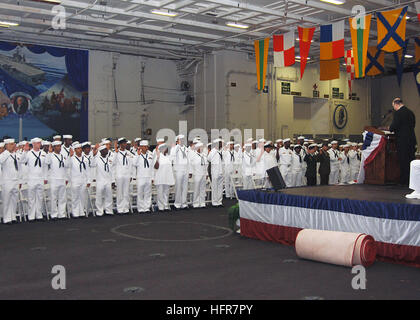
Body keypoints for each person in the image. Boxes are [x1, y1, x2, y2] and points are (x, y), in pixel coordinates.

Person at [389, 98, 417, 186]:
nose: (394, 108)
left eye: (393, 106)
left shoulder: (398, 113)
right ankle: (412, 181)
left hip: (402, 141)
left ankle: (404, 181)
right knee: (410, 160)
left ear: (396, 104)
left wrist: (390, 128)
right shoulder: (411, 112)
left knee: (403, 161)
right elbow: (413, 125)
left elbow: (394, 126)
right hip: (411, 140)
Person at [20, 138, 48, 222]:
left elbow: (45, 166)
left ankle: (38, 214)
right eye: (38, 143)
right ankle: (31, 215)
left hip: (40, 178)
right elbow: (22, 161)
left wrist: (45, 177)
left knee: (39, 197)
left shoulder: (43, 153)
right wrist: (24, 151)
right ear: (34, 144)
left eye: (40, 143)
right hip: (31, 178)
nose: (40, 144)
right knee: (31, 198)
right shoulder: (28, 153)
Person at [0, 139, 25, 224]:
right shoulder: (3, 155)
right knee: (6, 200)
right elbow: (1, 161)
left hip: (15, 180)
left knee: (14, 200)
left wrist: (20, 180)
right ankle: (7, 218)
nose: (13, 146)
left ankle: (13, 216)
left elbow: (22, 163)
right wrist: (8, 152)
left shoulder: (16, 155)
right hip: (7, 181)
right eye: (10, 144)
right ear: (6, 146)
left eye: (13, 144)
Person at [45, 141, 69, 219]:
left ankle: (61, 214)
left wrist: (66, 178)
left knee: (62, 198)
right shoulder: (51, 155)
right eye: (57, 146)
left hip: (62, 179)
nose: (59, 148)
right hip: (54, 179)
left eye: (60, 146)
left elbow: (66, 166)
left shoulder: (63, 156)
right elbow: (47, 162)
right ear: (54, 147)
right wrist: (49, 152)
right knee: (54, 198)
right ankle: (54, 214)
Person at [68, 143, 90, 218]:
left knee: (82, 196)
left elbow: (88, 171)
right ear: (74, 150)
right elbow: (67, 166)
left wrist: (88, 181)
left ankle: (81, 211)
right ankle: (75, 212)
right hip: (75, 180)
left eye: (80, 148)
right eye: (78, 148)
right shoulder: (72, 159)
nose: (80, 150)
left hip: (83, 180)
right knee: (75, 197)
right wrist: (69, 156)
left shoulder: (85, 159)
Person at [93, 145, 115, 216]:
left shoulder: (110, 159)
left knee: (109, 196)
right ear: (101, 151)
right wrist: (93, 154)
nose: (107, 150)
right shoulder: (97, 159)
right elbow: (92, 164)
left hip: (108, 180)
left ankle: (108, 210)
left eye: (106, 149)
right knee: (99, 197)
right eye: (105, 149)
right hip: (100, 180)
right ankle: (99, 211)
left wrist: (113, 181)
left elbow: (112, 171)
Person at [114, 138, 134, 214]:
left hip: (127, 174)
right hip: (119, 174)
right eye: (123, 143)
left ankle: (125, 207)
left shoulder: (128, 153)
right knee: (120, 192)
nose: (125, 144)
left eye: (125, 143)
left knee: (126, 192)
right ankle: (119, 208)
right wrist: (115, 152)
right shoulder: (116, 153)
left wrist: (131, 174)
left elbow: (131, 165)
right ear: (120, 144)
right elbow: (113, 163)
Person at [134, 140, 154, 213]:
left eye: (146, 147)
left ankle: (147, 207)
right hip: (141, 177)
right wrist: (138, 155)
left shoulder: (151, 154)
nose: (146, 148)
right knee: (140, 193)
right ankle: (141, 208)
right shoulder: (137, 155)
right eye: (144, 147)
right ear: (141, 147)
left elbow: (152, 167)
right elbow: (134, 163)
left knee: (148, 193)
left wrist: (152, 177)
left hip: (148, 176)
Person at [170, 135, 189, 210]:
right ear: (177, 140)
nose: (182, 140)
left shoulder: (186, 148)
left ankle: (184, 203)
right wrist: (176, 147)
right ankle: (177, 204)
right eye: (180, 139)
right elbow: (172, 157)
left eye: (183, 139)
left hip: (185, 169)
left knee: (185, 187)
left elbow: (188, 160)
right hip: (178, 169)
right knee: (178, 187)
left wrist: (189, 170)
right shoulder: (174, 148)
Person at [154, 144, 175, 212]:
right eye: (166, 148)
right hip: (160, 177)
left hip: (167, 177)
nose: (167, 149)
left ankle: (166, 205)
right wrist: (157, 158)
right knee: (160, 193)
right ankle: (161, 207)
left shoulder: (168, 157)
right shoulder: (158, 156)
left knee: (166, 192)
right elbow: (155, 167)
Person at [189, 142, 208, 208]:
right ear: (197, 148)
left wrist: (207, 173)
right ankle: (196, 203)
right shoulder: (194, 155)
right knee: (196, 189)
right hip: (197, 174)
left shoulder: (204, 155)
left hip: (203, 173)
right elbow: (191, 164)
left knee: (203, 189)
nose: (202, 148)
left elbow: (206, 165)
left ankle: (202, 203)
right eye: (201, 147)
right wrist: (190, 172)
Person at [207, 138, 224, 207]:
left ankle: (219, 201)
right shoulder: (213, 151)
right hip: (215, 171)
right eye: (220, 143)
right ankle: (214, 202)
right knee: (215, 187)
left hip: (220, 171)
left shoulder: (220, 151)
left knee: (220, 187)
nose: (221, 145)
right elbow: (208, 159)